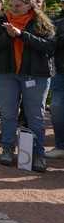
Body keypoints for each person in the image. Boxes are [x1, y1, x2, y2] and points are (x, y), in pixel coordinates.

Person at [0, 0, 56, 171]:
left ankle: (38, 155)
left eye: (18, 5)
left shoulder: (43, 23)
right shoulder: (0, 21)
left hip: (35, 75)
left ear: (29, 5)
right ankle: (7, 150)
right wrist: (8, 36)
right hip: (5, 74)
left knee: (35, 117)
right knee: (8, 114)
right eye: (11, 5)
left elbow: (49, 47)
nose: (14, 9)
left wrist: (21, 35)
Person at [49, 17, 64, 159]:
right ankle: (61, 146)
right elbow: (50, 45)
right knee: (56, 108)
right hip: (61, 73)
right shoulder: (57, 24)